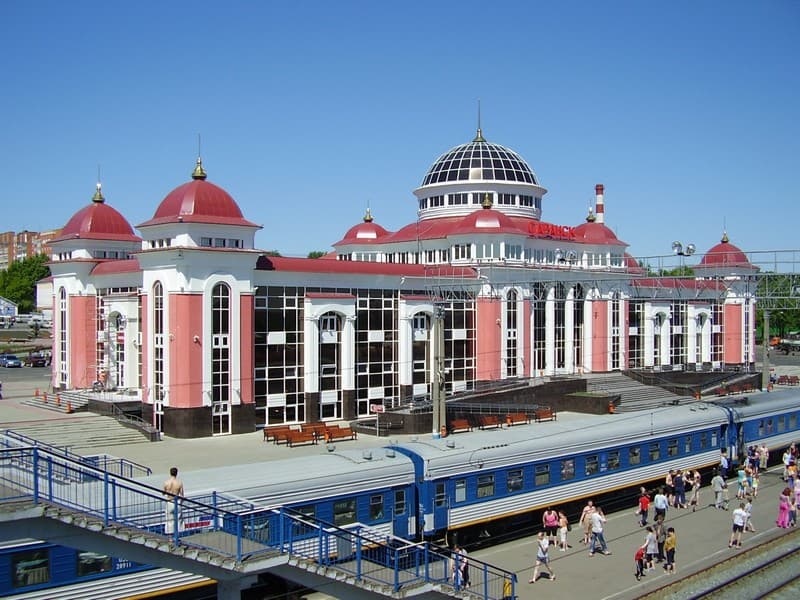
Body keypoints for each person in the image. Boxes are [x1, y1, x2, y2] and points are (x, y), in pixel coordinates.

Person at [163, 466, 184, 534]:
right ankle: (179, 535)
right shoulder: (179, 483)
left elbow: (163, 493)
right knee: (179, 519)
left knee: (169, 520)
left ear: (170, 473)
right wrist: (181, 503)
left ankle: (170, 537)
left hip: (169, 501)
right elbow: (182, 495)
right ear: (176, 473)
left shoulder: (166, 483)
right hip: (176, 501)